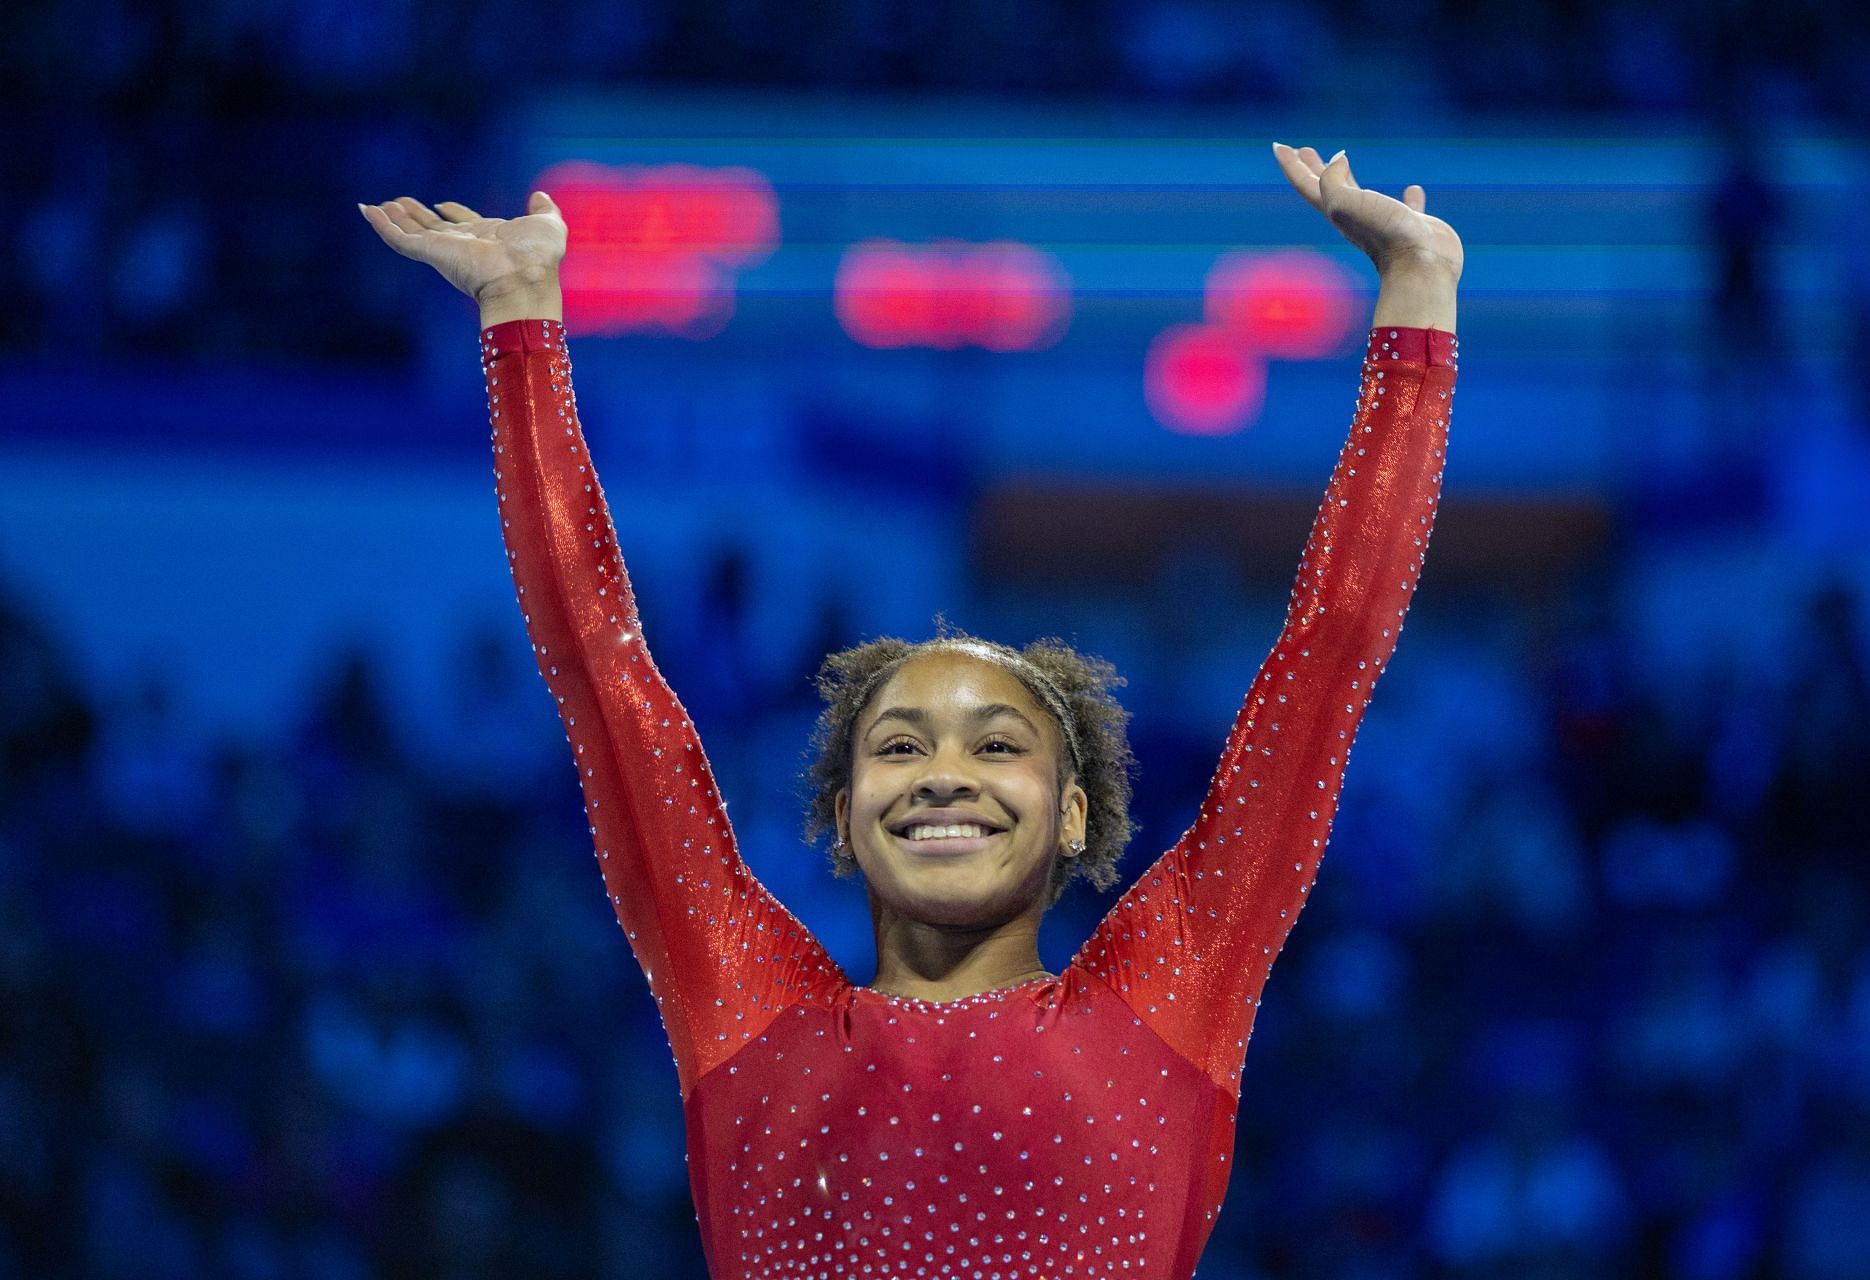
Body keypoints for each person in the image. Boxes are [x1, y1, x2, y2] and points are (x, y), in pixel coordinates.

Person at [360, 141, 1462, 1280]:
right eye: (901, 745)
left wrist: (1418, 299)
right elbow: (604, 679)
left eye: (997, 744)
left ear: (1076, 815)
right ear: (841, 818)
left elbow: (1327, 654)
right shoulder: (745, 1007)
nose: (945, 773)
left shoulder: (1168, 994)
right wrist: (521, 316)